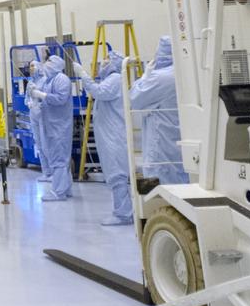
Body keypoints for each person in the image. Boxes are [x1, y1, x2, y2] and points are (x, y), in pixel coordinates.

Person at [78, 51, 133, 225]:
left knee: (117, 173)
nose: (104, 61)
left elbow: (99, 92)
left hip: (113, 135)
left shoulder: (115, 79)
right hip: (110, 134)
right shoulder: (111, 79)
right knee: (114, 172)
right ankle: (123, 211)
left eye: (108, 58)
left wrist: (83, 75)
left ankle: (123, 214)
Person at [129, 36, 190, 184]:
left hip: (162, 149)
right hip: (184, 146)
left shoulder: (161, 78)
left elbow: (134, 99)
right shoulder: (189, 74)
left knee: (161, 193)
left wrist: (145, 77)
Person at [30, 54, 74, 201]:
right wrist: (35, 94)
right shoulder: (50, 80)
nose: (46, 64)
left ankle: (58, 192)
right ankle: (66, 189)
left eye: (49, 61)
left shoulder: (62, 79)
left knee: (59, 159)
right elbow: (44, 97)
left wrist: (41, 95)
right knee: (59, 158)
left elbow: (60, 99)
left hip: (59, 126)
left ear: (57, 65)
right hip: (52, 124)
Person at [25, 60, 50, 183]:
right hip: (33, 114)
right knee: (39, 144)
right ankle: (46, 173)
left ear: (39, 67)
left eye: (33, 66)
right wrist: (29, 103)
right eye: (30, 66)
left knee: (46, 144)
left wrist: (39, 97)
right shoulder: (30, 83)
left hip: (43, 114)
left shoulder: (45, 80)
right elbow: (26, 98)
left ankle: (53, 172)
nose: (31, 68)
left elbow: (49, 97)